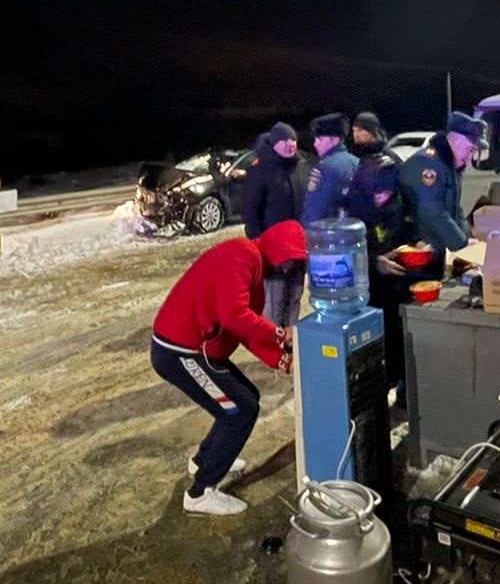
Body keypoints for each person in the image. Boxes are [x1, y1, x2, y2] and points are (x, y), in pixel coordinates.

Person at [151, 220, 307, 516]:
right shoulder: (241, 256)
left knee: (245, 398)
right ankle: (200, 493)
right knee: (239, 410)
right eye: (287, 261)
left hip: (193, 349)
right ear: (276, 251)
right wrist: (280, 335)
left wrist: (281, 359)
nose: (287, 271)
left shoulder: (254, 269)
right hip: (179, 350)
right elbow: (234, 316)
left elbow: (244, 330)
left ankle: (203, 461)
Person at [343, 137, 416, 395]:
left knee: (399, 336)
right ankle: (380, 388)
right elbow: (348, 251)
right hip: (369, 290)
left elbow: (407, 228)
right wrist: (375, 261)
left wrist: (414, 247)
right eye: (378, 193)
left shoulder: (397, 198)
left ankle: (400, 384)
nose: (383, 197)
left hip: (397, 283)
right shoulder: (353, 209)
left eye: (388, 192)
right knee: (376, 343)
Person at [399, 111, 487, 265]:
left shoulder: (450, 165)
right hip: (420, 250)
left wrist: (468, 241)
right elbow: (432, 212)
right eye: (470, 149)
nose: (470, 156)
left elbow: (455, 210)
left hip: (436, 248)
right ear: (456, 140)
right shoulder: (429, 164)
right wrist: (461, 243)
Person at [242, 122, 306, 327]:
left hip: (298, 250)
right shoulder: (260, 171)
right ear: (274, 144)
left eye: (293, 139)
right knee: (274, 302)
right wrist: (259, 245)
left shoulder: (299, 167)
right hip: (274, 252)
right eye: (284, 141)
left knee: (295, 297)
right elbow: (250, 213)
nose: (290, 144)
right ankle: (272, 349)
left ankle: (289, 345)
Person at [301, 112, 359, 226]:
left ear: (335, 140)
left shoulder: (325, 168)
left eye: (320, 139)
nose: (315, 144)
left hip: (328, 236)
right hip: (353, 234)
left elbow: (314, 210)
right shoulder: (357, 163)